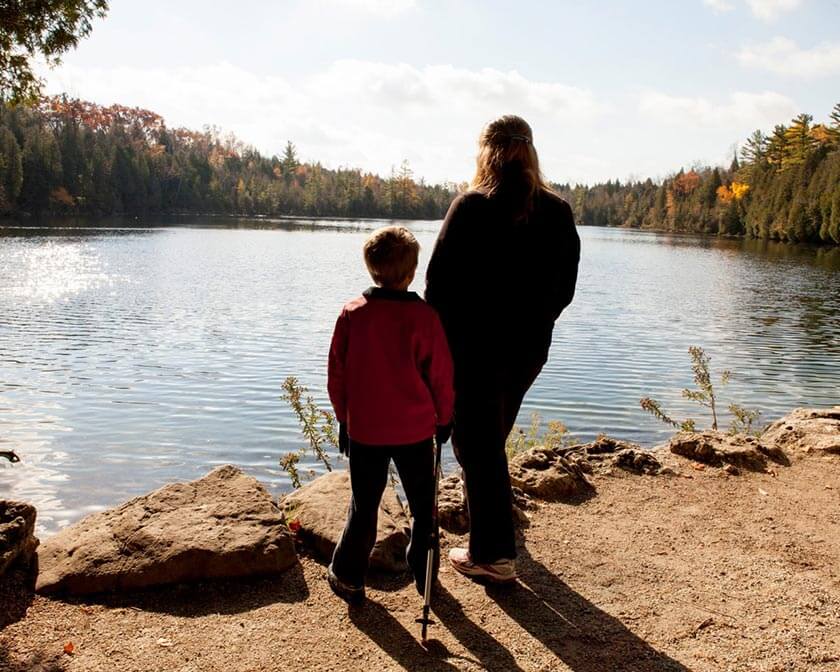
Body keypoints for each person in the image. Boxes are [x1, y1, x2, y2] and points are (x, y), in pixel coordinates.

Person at [425, 115, 580, 583]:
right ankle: (489, 538)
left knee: (478, 443)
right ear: (530, 152)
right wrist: (535, 322)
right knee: (487, 439)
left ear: (486, 152)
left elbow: (437, 285)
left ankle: (493, 554)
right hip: (528, 348)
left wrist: (435, 347)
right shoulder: (556, 211)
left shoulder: (472, 206)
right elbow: (565, 288)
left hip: (473, 347)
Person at [327, 225, 455, 604]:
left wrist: (344, 418)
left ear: (371, 269)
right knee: (423, 507)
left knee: (364, 505)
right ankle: (426, 575)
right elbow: (442, 376)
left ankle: (349, 576)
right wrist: (445, 418)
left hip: (366, 431)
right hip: (415, 432)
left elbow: (337, 374)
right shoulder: (425, 317)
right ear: (412, 272)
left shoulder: (353, 315)